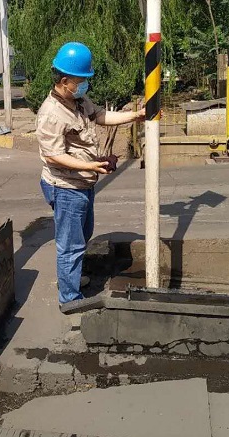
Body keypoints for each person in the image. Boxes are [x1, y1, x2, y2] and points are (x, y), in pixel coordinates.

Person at [35, 42, 146, 312]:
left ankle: (71, 280)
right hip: (66, 187)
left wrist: (136, 116)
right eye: (81, 80)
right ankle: (69, 299)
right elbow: (53, 156)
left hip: (83, 183)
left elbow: (100, 116)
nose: (85, 84)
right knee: (70, 245)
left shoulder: (79, 101)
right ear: (65, 81)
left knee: (82, 236)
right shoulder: (51, 113)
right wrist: (92, 166)